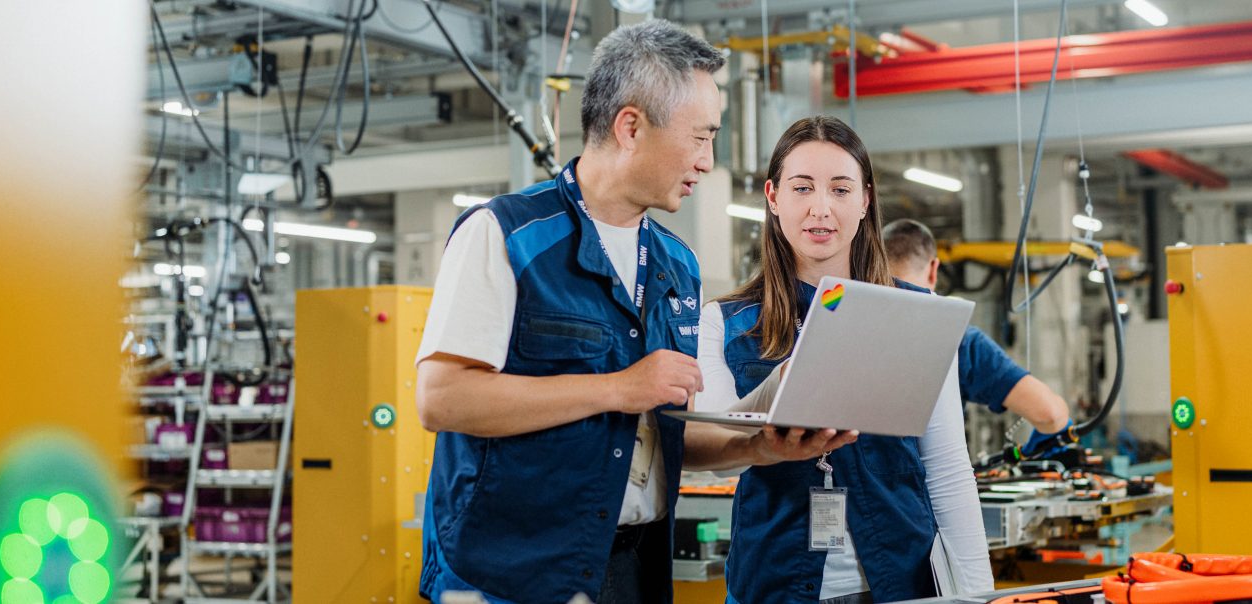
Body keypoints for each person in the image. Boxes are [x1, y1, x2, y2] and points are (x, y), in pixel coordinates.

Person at [412, 20, 780, 604]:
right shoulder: (506, 236)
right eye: (701, 136)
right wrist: (616, 387)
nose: (708, 162)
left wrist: (759, 446)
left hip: (634, 571)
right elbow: (442, 398)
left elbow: (660, 437)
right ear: (630, 126)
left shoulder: (675, 263)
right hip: (511, 578)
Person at [683, 116, 994, 603]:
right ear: (773, 196)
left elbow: (948, 466)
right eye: (802, 187)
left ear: (866, 200)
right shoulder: (724, 322)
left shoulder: (920, 314)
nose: (820, 209)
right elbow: (721, 454)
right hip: (774, 584)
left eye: (841, 189)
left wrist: (978, 595)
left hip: (901, 583)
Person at [880, 219, 1073, 448]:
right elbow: (1049, 414)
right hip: (932, 482)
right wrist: (1059, 420)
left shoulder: (851, 330)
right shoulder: (957, 339)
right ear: (933, 269)